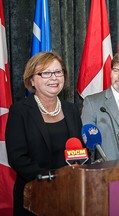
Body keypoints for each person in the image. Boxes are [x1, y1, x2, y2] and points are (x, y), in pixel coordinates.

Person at [5, 52, 84, 216]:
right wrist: (51, 178)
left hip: (69, 195)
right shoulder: (20, 111)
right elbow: (17, 158)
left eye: (58, 72)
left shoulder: (71, 109)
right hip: (34, 194)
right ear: (32, 80)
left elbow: (79, 149)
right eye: (46, 73)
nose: (54, 78)